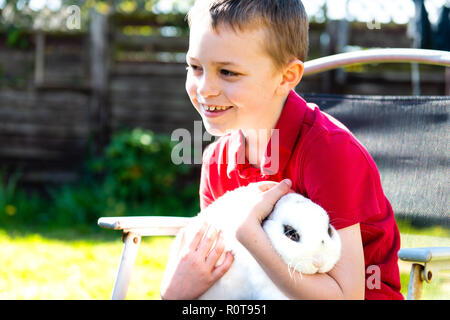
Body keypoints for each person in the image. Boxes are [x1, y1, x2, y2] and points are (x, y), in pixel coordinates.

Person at [160, 0, 403, 300]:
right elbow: (222, 276)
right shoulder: (217, 162)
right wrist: (174, 294)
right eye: (195, 67)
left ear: (286, 77)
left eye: (227, 72)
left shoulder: (328, 151)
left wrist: (251, 236)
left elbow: (347, 295)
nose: (205, 88)